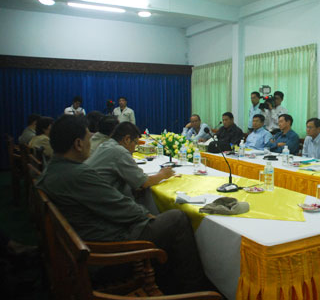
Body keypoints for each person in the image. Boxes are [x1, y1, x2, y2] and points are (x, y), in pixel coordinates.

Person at [37, 115, 211, 294]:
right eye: (89, 139)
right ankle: (194, 288)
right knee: (177, 218)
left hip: (82, 244)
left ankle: (168, 279)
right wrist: (146, 216)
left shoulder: (50, 172)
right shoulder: (78, 174)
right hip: (106, 253)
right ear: (78, 144)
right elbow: (118, 206)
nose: (91, 144)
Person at [85, 122, 173, 215]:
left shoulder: (106, 145)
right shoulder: (119, 151)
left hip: (92, 200)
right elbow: (144, 182)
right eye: (135, 143)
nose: (135, 148)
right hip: (102, 207)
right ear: (127, 139)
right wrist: (163, 174)